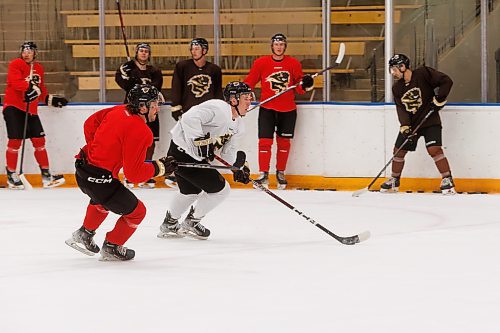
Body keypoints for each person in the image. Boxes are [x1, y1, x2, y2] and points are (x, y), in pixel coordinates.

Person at [65, 84, 177, 261]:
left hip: (82, 169)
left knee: (102, 200)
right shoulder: (142, 131)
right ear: (142, 107)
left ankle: (84, 234)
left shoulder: (119, 110)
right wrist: (159, 168)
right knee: (137, 211)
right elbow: (134, 174)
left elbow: (89, 124)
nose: (158, 108)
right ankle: (112, 246)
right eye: (154, 104)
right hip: (100, 180)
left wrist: (97, 148)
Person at [157, 81, 253, 240]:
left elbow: (228, 156)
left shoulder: (238, 126)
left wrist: (239, 167)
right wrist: (198, 140)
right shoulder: (218, 108)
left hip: (192, 156)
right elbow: (188, 118)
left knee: (189, 192)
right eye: (246, 97)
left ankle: (170, 224)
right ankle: (191, 222)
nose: (249, 101)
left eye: (250, 97)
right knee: (221, 190)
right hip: (182, 152)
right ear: (234, 99)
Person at [244, 33, 314, 190]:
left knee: (284, 143)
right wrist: (240, 95)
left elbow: (301, 88)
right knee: (264, 142)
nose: (279, 47)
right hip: (267, 109)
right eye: (276, 44)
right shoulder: (261, 62)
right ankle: (263, 174)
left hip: (288, 110)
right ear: (272, 46)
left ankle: (280, 173)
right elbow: (250, 81)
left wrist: (307, 83)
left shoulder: (293, 64)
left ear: (285, 46)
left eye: (281, 44)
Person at [380, 54, 455, 195]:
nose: (393, 73)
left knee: (434, 149)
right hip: (412, 124)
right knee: (398, 151)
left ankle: (447, 179)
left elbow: (446, 81)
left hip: (430, 120)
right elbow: (401, 108)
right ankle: (395, 180)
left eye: (394, 69)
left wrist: (440, 99)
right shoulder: (397, 88)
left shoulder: (423, 74)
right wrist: (405, 125)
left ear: (403, 67)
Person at [2, 41, 68, 189]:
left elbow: (41, 89)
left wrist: (50, 99)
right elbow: (15, 82)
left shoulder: (38, 68)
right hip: (14, 107)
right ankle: (11, 176)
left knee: (39, 141)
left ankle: (46, 176)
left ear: (34, 53)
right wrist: (30, 88)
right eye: (24, 51)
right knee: (15, 142)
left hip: (31, 110)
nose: (26, 54)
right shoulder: (16, 64)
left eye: (29, 51)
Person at [167, 37, 224, 188]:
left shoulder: (214, 70)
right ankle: (174, 172)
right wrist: (176, 107)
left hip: (208, 115)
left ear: (205, 50)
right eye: (192, 48)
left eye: (197, 48)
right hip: (188, 114)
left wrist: (220, 111)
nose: (194, 51)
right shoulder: (182, 66)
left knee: (205, 144)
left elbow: (218, 92)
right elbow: (176, 86)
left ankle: (200, 173)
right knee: (181, 142)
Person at [115, 42, 163, 188]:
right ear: (136, 52)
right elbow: (123, 83)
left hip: (151, 111)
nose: (143, 53)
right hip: (133, 110)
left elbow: (155, 88)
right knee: (131, 142)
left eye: (146, 51)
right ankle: (130, 174)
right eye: (141, 51)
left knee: (150, 141)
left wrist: (139, 85)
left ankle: (145, 173)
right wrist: (123, 73)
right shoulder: (130, 69)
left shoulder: (154, 71)